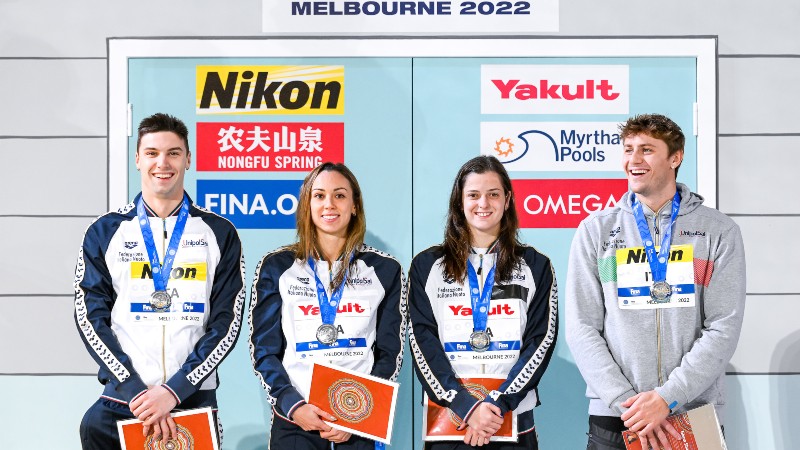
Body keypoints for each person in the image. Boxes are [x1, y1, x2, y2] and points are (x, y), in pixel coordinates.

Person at [565, 114, 746, 450]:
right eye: (628, 149)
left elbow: (723, 327)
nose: (633, 160)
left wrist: (667, 398)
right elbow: (581, 327)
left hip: (692, 409)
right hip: (617, 414)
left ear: (675, 158)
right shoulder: (596, 230)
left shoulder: (718, 231)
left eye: (646, 150)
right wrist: (630, 405)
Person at [74, 113, 245, 449]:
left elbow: (226, 323)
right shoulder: (105, 231)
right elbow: (90, 317)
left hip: (191, 400)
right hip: (123, 400)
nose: (162, 163)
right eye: (152, 153)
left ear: (188, 159)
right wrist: (136, 390)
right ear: (138, 159)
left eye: (173, 153)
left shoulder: (219, 232)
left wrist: (174, 391)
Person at [250, 162, 407, 449]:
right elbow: (264, 351)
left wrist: (357, 414)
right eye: (319, 196)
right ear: (307, 205)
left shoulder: (385, 269)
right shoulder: (276, 266)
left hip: (359, 420)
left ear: (354, 206)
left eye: (340, 195)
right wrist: (293, 405)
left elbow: (390, 353)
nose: (329, 205)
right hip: (296, 420)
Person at [409, 155, 558, 449]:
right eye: (473, 195)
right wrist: (465, 405)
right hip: (450, 419)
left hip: (511, 418)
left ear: (507, 200)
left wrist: (499, 403)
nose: (483, 204)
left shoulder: (536, 265)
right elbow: (422, 342)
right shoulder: (427, 266)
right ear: (459, 201)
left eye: (493, 194)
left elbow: (540, 341)